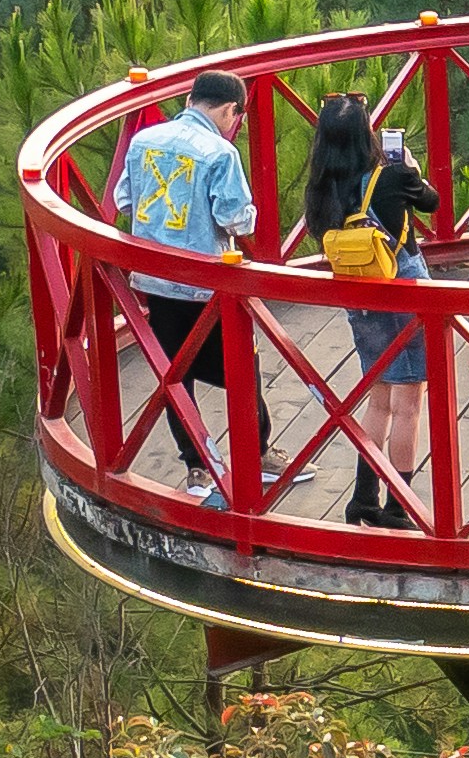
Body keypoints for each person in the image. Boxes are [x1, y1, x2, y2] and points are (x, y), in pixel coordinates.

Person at [293, 90, 442, 529]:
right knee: (409, 403)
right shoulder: (392, 177)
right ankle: (399, 504)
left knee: (379, 397)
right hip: (403, 288)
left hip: (360, 295)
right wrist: (410, 169)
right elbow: (431, 202)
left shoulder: (321, 189)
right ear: (366, 134)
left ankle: (363, 498)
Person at [105, 70, 256, 503]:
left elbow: (125, 200)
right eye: (235, 118)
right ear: (230, 110)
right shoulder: (220, 154)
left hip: (154, 281)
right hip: (204, 287)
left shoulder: (143, 142)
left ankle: (196, 468)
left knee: (175, 375)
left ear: (191, 98)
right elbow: (235, 219)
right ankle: (260, 457)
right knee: (243, 367)